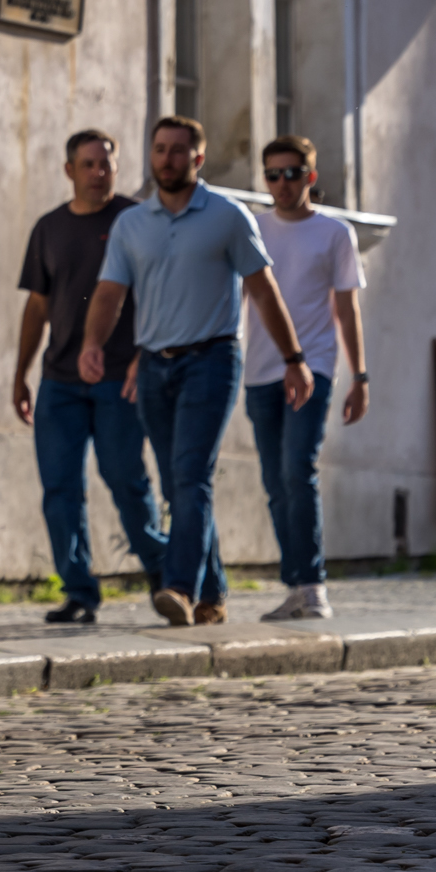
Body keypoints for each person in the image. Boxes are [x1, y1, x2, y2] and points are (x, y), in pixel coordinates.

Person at [79, 116, 310, 626]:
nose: (167, 158)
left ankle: (178, 588)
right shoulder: (131, 224)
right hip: (155, 366)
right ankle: (213, 592)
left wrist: (293, 359)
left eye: (178, 150)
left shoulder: (228, 216)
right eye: (159, 149)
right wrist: (92, 344)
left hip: (212, 359)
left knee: (190, 476)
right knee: (178, 483)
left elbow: (263, 290)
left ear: (197, 159)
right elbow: (111, 293)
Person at [13, 130, 170, 624]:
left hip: (120, 376)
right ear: (69, 171)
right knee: (60, 488)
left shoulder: (137, 219)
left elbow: (158, 296)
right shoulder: (49, 228)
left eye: (106, 164)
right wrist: (20, 374)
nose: (98, 173)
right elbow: (37, 306)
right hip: (59, 379)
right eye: (88, 165)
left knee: (126, 480)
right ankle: (79, 591)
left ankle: (166, 575)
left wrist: (144, 359)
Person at [246, 136, 369, 621]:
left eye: (291, 173)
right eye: (272, 175)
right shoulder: (252, 229)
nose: (281, 184)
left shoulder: (334, 233)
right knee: (276, 481)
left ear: (310, 177)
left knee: (298, 468)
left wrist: (360, 376)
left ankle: (313, 584)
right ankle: (296, 583)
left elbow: (347, 308)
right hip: (259, 368)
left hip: (313, 365)